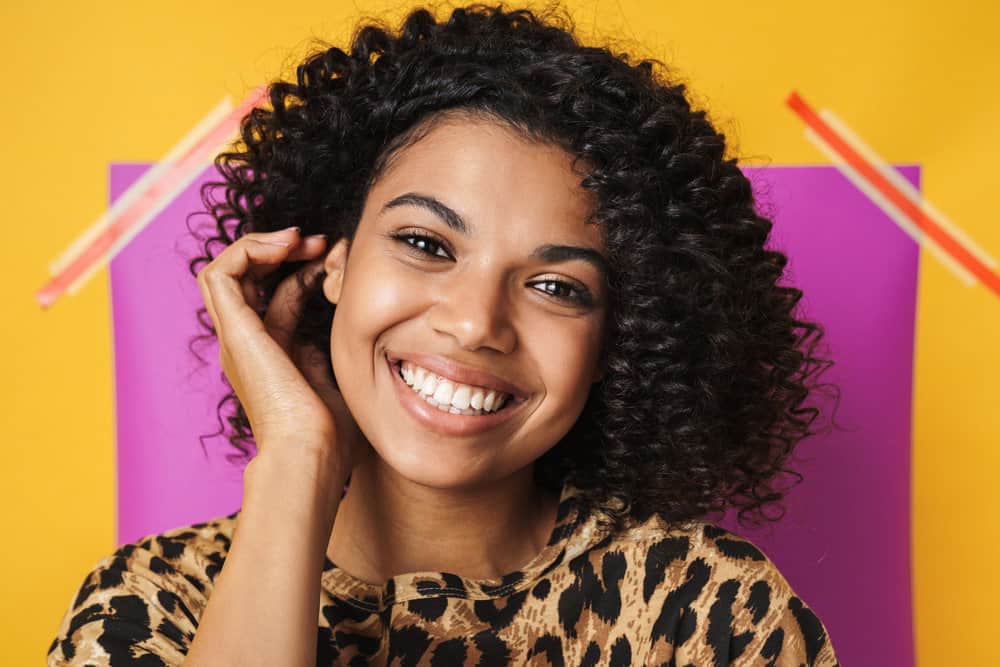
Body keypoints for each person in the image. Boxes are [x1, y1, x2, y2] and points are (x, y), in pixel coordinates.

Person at [47, 3, 842, 665]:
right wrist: (296, 455)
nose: (474, 321)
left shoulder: (702, 615)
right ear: (334, 258)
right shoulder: (154, 602)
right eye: (426, 244)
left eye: (557, 286)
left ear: (613, 343)